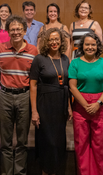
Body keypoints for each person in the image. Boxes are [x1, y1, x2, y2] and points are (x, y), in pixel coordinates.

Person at [0, 15, 38, 175]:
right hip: (5, 96)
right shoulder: (0, 49)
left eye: (18, 29)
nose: (15, 32)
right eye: (12, 29)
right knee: (5, 141)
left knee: (21, 140)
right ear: (8, 31)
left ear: (25, 31)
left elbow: (35, 78)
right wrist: (6, 86)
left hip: (24, 96)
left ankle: (19, 172)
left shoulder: (33, 51)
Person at [68, 32, 103, 175]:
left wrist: (98, 103)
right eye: (87, 44)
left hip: (100, 106)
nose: (90, 47)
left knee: (101, 146)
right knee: (81, 145)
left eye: (93, 44)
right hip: (80, 108)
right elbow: (72, 87)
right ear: (82, 46)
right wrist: (85, 104)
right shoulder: (75, 63)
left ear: (97, 46)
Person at [30, 27, 73, 175]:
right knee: (47, 142)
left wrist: (68, 107)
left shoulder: (65, 59)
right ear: (46, 42)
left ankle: (55, 171)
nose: (54, 42)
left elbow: (67, 84)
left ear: (61, 41)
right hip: (45, 104)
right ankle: (45, 171)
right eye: (51, 39)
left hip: (60, 103)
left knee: (58, 142)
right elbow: (33, 86)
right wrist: (34, 111)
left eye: (57, 39)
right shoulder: (39, 59)